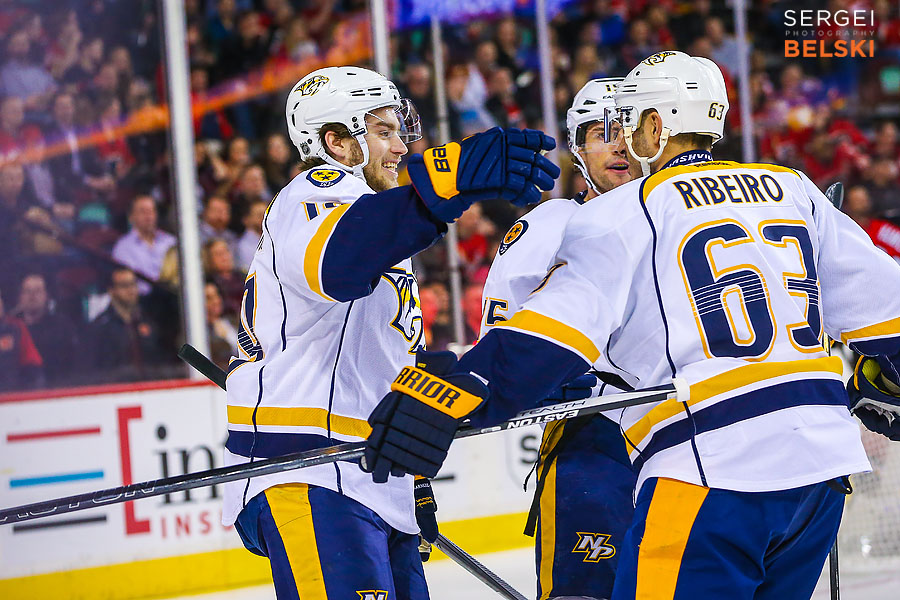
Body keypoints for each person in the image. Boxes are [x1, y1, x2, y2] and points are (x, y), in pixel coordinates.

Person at [363, 51, 900, 600]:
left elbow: (545, 340)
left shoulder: (625, 211)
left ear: (655, 125)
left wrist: (448, 395)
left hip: (713, 465)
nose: (623, 139)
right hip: (822, 472)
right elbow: (889, 310)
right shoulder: (792, 187)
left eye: (629, 122)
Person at [222, 65, 558, 600]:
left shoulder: (378, 221)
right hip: (311, 469)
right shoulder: (312, 193)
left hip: (371, 472)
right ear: (336, 142)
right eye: (383, 131)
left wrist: (413, 477)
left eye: (400, 131)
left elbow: (387, 359)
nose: (401, 147)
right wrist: (444, 184)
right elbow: (340, 262)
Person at [479, 78, 635, 600]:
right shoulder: (553, 223)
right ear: (578, 149)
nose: (618, 145)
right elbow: (499, 334)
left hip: (692, 438)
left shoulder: (680, 218)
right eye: (601, 133)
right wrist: (543, 379)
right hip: (596, 446)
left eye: (629, 130)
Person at [89, 267, 169, 382]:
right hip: (116, 387)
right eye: (124, 285)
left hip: (151, 386)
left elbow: (160, 360)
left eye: (133, 284)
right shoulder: (100, 327)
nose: (131, 290)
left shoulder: (149, 321)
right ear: (111, 290)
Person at [111, 194, 176, 294]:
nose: (149, 216)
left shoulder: (171, 241)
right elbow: (127, 283)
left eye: (152, 211)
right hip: (142, 299)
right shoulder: (123, 247)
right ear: (131, 217)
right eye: (143, 212)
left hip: (173, 296)